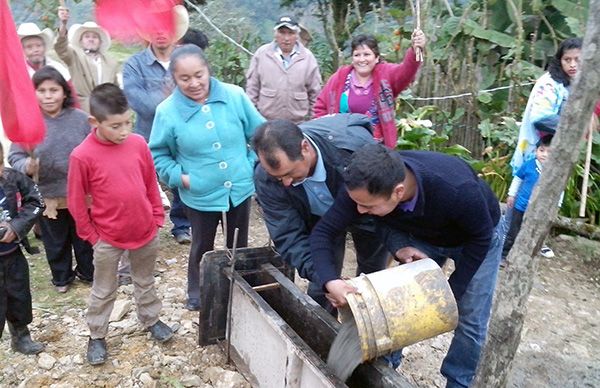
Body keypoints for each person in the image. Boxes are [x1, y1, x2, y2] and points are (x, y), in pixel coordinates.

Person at [310, 144, 503, 388]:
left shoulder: (456, 190)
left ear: (398, 191)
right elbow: (323, 233)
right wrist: (331, 280)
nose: (359, 211)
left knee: (470, 318)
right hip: (424, 235)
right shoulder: (363, 188)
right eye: (357, 204)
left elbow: (481, 237)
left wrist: (451, 293)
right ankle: (386, 368)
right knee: (398, 301)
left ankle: (459, 382)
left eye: (368, 207)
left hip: (476, 238)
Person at [150, 44, 264, 311]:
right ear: (174, 79)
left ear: (208, 70)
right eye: (185, 78)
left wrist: (250, 163)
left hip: (238, 185)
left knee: (239, 243)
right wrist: (182, 179)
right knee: (202, 245)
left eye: (198, 75)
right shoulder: (167, 112)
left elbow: (260, 134)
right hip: (199, 193)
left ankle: (238, 289)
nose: (194, 83)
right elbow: (158, 154)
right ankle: (198, 293)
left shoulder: (234, 96)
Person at [67, 84, 173, 365]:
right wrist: (92, 236)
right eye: (116, 125)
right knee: (103, 289)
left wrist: (156, 216)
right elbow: (76, 202)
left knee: (145, 280)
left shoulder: (138, 144)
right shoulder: (82, 155)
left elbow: (150, 181)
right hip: (107, 238)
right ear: (95, 122)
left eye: (128, 122)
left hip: (145, 230)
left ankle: (151, 319)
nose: (124, 130)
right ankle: (97, 334)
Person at [253, 115, 388, 312]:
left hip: (366, 210)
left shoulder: (353, 152)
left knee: (372, 268)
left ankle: (367, 319)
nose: (286, 183)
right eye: (279, 177)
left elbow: (388, 202)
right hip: (316, 217)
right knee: (322, 277)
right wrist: (327, 280)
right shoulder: (266, 177)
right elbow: (288, 234)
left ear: (305, 148)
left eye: (291, 173)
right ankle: (320, 329)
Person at [9, 66, 94, 293]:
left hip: (80, 193)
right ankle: (62, 278)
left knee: (84, 237)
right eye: (42, 90)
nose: (48, 96)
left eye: (54, 90)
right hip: (48, 195)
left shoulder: (81, 119)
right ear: (33, 93)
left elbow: (96, 148)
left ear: (64, 93)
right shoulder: (27, 123)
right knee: (55, 241)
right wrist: (27, 165)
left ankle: (88, 272)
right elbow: (14, 156)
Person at [123, 4, 192, 245]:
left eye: (166, 27)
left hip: (184, 134)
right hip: (147, 135)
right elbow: (136, 100)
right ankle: (147, 226)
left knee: (183, 180)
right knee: (143, 183)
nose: (160, 32)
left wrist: (171, 99)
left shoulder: (186, 59)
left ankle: (182, 226)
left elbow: (198, 91)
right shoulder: (134, 64)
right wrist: (174, 99)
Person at [313, 32, 425, 149]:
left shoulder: (386, 74)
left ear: (376, 58)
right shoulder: (340, 77)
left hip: (376, 146)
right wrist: (324, 133)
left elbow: (406, 72)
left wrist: (415, 49)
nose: (362, 59)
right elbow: (320, 107)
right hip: (341, 144)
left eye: (367, 54)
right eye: (357, 55)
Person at [0, 144, 45, 355]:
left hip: (12, 254)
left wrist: (17, 226)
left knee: (19, 296)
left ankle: (21, 336)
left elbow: (36, 201)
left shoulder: (13, 178)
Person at [245, 15, 321, 123]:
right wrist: (252, 120)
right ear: (275, 34)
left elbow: (315, 93)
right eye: (282, 32)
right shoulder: (262, 54)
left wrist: (314, 123)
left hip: (298, 124)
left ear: (297, 35)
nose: (286, 38)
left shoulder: (308, 58)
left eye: (291, 33)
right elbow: (252, 89)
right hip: (266, 122)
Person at [502, 135, 559, 260]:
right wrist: (511, 194)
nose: (544, 154)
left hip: (540, 209)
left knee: (535, 230)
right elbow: (517, 179)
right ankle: (504, 254)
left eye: (549, 152)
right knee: (513, 231)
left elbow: (560, 189)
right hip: (521, 205)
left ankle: (531, 252)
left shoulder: (555, 171)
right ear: (535, 150)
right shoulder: (529, 165)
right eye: (541, 150)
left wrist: (557, 205)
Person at [54, 6, 119, 112]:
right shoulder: (75, 56)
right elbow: (61, 48)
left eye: (94, 37)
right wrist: (63, 24)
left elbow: (116, 89)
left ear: (100, 41)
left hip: (107, 110)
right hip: (82, 110)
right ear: (81, 41)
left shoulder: (111, 62)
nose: (91, 39)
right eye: (87, 36)